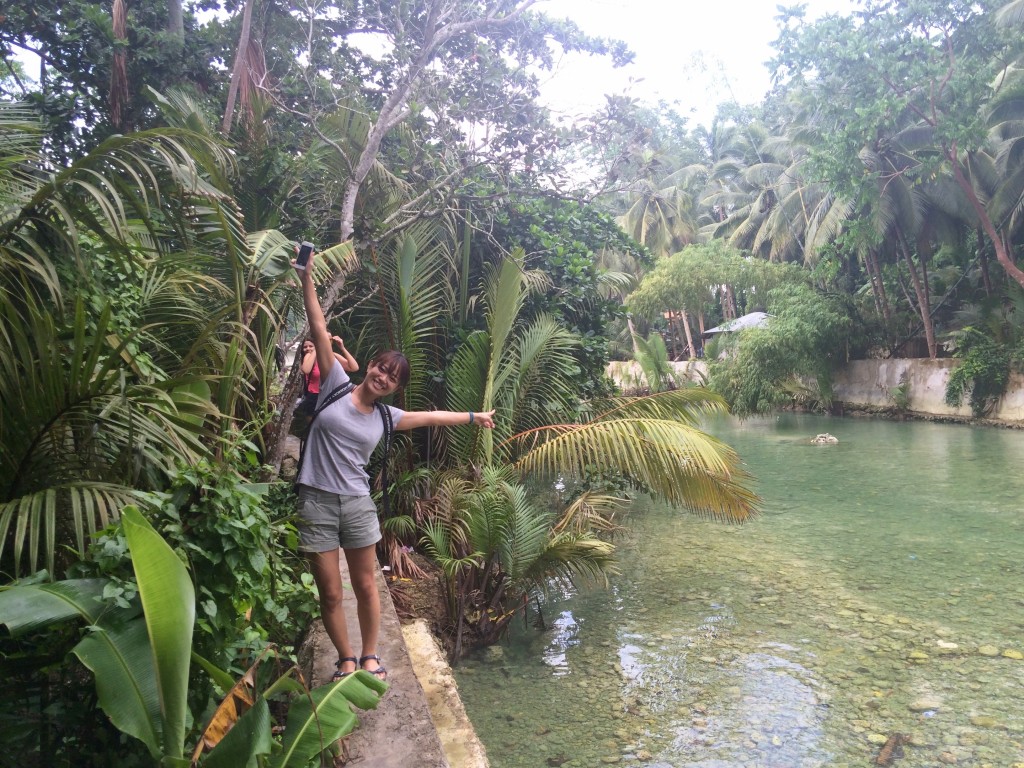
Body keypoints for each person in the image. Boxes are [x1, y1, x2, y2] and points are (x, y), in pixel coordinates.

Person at [294, 248, 495, 682]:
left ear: (393, 388)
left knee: (366, 585)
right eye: (381, 368)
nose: (382, 376)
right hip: (316, 502)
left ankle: (370, 656)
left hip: (357, 504)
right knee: (330, 593)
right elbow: (317, 326)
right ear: (370, 367)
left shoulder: (388, 417)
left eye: (391, 377)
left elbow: (431, 416)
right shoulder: (334, 384)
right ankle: (345, 659)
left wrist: (475, 417)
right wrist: (306, 277)